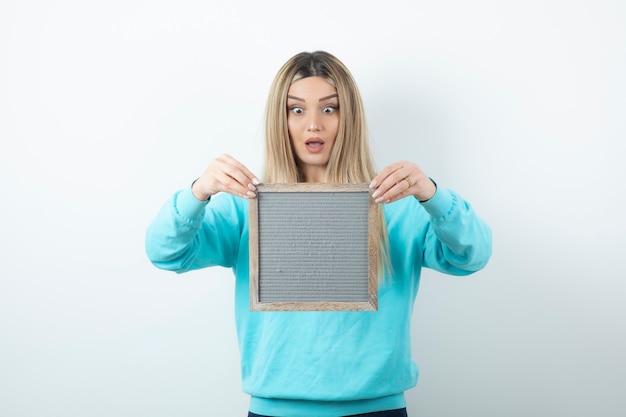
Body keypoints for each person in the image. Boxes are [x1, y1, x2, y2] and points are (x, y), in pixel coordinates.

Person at [145, 51, 492, 417]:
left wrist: (433, 195)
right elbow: (165, 252)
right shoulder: (246, 207)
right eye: (297, 109)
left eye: (329, 109)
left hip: (377, 408)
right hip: (274, 410)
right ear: (281, 120)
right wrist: (198, 192)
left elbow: (472, 255)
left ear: (349, 118)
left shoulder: (396, 204)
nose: (314, 125)